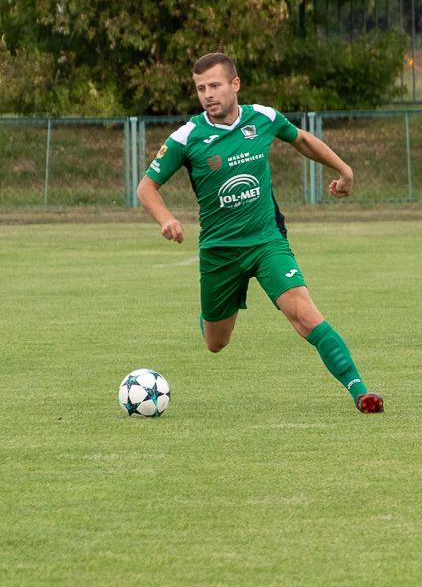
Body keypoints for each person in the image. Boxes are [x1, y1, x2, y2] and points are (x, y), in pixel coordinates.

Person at [136, 52, 383, 413]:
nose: (208, 94)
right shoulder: (187, 137)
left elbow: (301, 140)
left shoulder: (263, 118)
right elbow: (146, 188)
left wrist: (345, 170)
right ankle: (215, 306)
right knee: (216, 343)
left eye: (215, 85)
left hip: (267, 241)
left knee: (306, 317)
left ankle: (361, 393)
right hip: (220, 252)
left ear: (235, 84)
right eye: (201, 88)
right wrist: (166, 220)